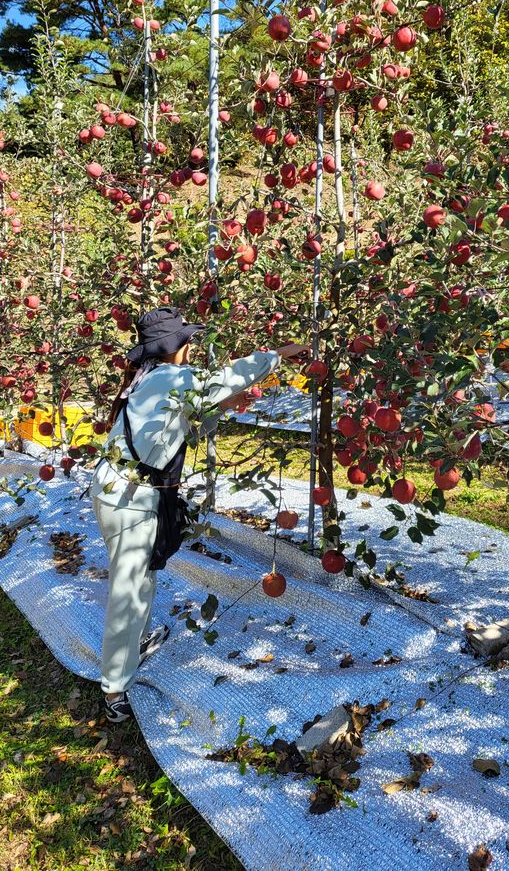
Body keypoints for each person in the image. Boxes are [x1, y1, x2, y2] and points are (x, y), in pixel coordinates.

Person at [89, 305, 307, 722]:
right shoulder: (173, 377)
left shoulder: (149, 378)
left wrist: (225, 406)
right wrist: (277, 353)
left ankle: (132, 647)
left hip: (121, 489)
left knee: (140, 576)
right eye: (187, 340)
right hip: (128, 498)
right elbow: (223, 378)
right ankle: (114, 689)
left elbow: (181, 420)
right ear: (176, 347)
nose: (192, 347)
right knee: (128, 588)